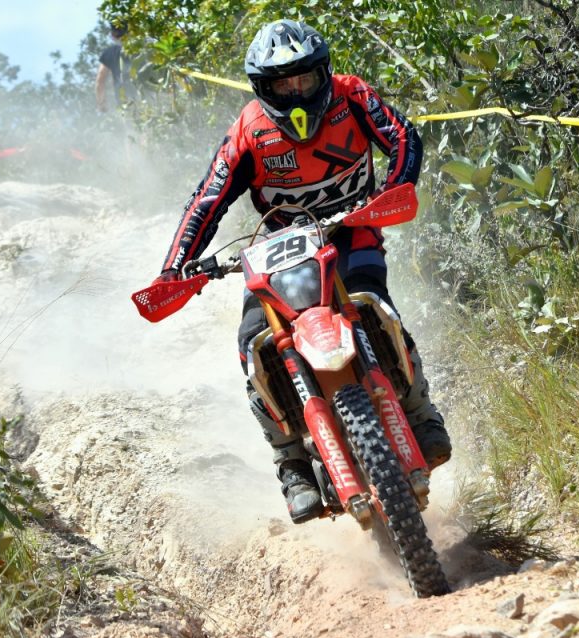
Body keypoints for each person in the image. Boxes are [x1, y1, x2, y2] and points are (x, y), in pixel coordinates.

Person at [155, 19, 451, 523]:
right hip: (283, 247)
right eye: (280, 84)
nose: (294, 92)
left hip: (354, 227)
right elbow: (208, 198)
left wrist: (394, 189)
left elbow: (404, 137)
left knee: (375, 306)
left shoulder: (352, 95)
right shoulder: (249, 129)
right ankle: (290, 460)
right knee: (254, 340)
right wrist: (175, 268)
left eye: (304, 80)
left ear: (323, 73)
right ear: (261, 88)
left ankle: (421, 414)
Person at [96, 22, 131, 112]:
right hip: (147, 94)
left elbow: (100, 79)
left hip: (124, 99)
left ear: (113, 34)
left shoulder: (110, 53)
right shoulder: (141, 48)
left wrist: (101, 103)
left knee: (130, 123)